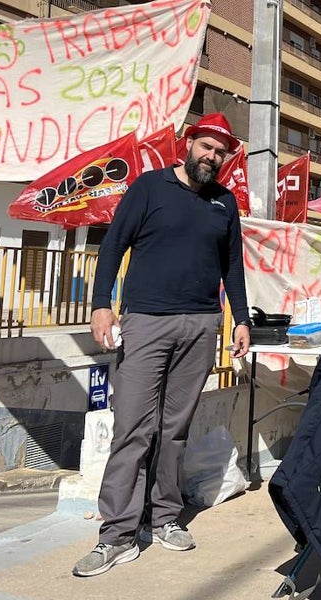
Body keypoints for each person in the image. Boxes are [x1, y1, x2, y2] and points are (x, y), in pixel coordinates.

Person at [73, 113, 251, 578]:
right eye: (206, 146)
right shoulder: (149, 187)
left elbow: (232, 265)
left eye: (220, 151)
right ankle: (116, 534)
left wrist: (241, 319)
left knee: (174, 429)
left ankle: (165, 517)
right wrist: (100, 304)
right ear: (188, 144)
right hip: (146, 321)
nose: (212, 156)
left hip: (200, 325)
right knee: (133, 427)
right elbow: (113, 245)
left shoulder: (224, 202)